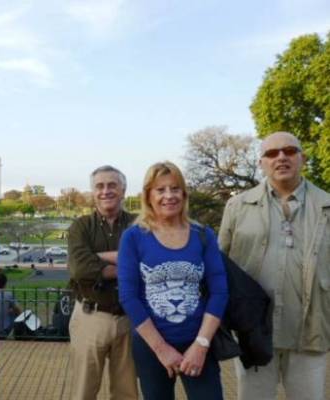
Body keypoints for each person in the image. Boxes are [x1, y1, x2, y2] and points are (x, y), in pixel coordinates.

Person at [218, 131, 330, 400]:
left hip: (309, 331)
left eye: (289, 151)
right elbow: (220, 266)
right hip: (254, 331)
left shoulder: (326, 205)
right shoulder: (238, 206)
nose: (281, 157)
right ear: (261, 163)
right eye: (271, 153)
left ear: (302, 157)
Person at [118, 161, 229, 400]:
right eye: (160, 190)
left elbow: (219, 291)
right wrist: (162, 350)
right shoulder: (134, 237)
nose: (169, 196)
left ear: (184, 193)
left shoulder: (203, 235)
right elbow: (129, 296)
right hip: (151, 346)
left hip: (198, 341)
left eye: (175, 188)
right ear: (148, 195)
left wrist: (201, 345)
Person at [67, 165, 138, 400]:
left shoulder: (139, 224)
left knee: (126, 392)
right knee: (83, 391)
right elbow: (79, 268)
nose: (105, 191)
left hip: (130, 319)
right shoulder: (81, 226)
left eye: (112, 185)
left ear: (123, 190)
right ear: (93, 192)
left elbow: (146, 264)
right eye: (100, 186)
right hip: (91, 317)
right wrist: (126, 265)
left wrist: (96, 256)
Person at [0, 272, 21, 337]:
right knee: (15, 313)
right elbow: (18, 310)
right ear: (5, 284)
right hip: (1, 332)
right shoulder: (8, 295)